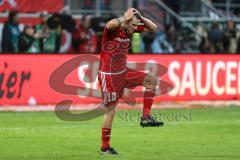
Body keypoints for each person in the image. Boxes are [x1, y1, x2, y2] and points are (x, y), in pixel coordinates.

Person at [98, 8, 164, 155]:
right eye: (133, 25)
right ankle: (105, 147)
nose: (135, 29)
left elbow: (153, 28)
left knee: (151, 81)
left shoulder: (130, 27)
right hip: (109, 75)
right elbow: (109, 25)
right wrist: (125, 17)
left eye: (136, 26)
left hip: (123, 72)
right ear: (126, 21)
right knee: (111, 110)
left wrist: (140, 17)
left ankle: (145, 117)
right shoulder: (113, 29)